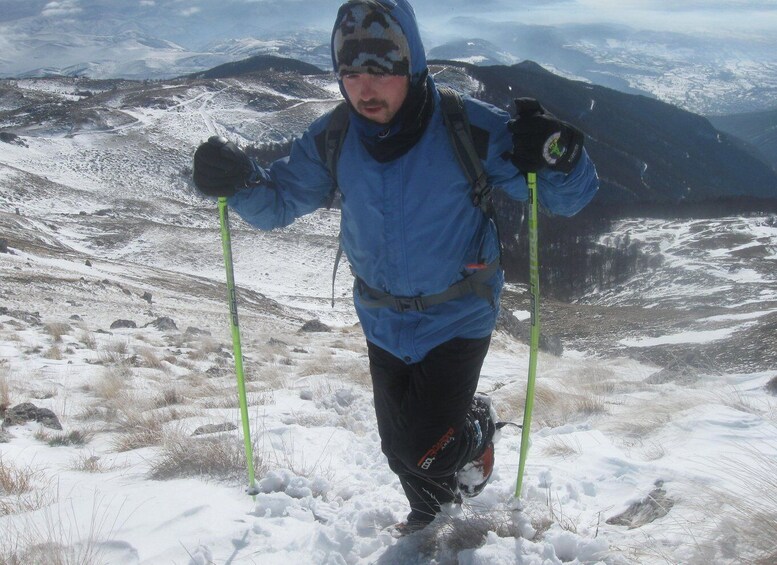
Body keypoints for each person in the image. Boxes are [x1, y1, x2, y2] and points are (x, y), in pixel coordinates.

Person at [192, 0, 598, 533]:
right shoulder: (334, 137)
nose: (365, 88)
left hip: (458, 312)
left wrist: (562, 158)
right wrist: (238, 181)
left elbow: (566, 200)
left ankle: (475, 430)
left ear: (412, 66)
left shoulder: (466, 128)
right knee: (397, 447)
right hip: (381, 315)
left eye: (380, 72)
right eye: (351, 72)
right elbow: (279, 204)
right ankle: (430, 515)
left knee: (423, 446)